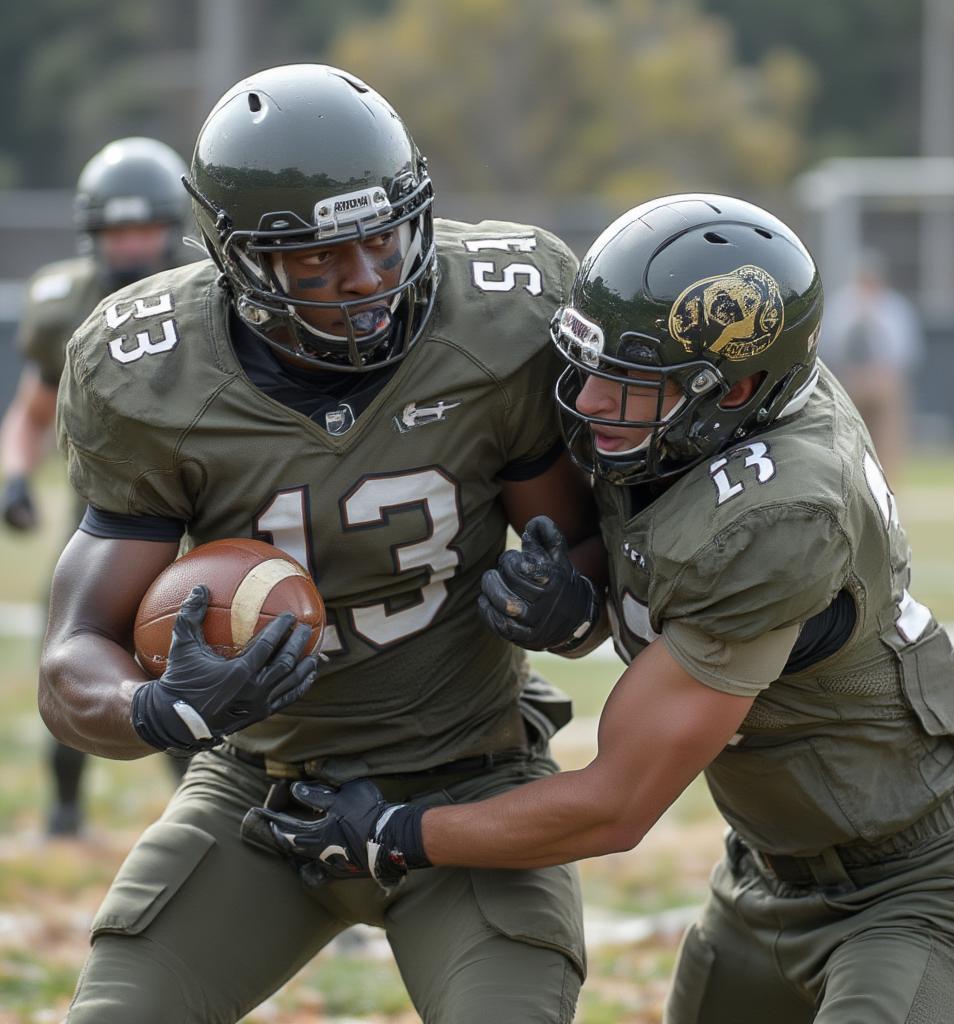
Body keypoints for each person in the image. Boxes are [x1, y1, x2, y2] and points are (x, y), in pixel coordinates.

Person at [257, 195, 954, 1024]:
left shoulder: (777, 517)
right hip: (766, 872)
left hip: (916, 885)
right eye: (585, 366)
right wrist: (585, 594)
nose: (585, 400)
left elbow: (615, 802)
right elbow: (658, 566)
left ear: (729, 390)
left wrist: (396, 832)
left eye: (626, 384)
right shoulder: (718, 413)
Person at [40, 64, 600, 1023]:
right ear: (235, 257)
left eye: (384, 239)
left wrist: (571, 600)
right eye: (316, 259)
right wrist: (163, 709)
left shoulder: (501, 317)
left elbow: (588, 557)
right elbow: (70, 661)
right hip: (261, 793)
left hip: (470, 785)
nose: (367, 280)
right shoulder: (149, 374)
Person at [0, 136, 193, 836]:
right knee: (70, 654)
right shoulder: (64, 303)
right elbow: (30, 410)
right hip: (103, 510)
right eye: (118, 231)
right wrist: (16, 478)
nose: (133, 246)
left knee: (191, 655)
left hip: (201, 506)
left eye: (145, 228)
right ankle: (63, 811)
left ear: (173, 227)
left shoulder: (212, 289)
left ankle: (201, 814)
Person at [818, 249, 923, 484]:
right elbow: (831, 346)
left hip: (885, 380)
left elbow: (905, 350)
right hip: (851, 380)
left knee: (889, 438)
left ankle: (890, 486)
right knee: (849, 437)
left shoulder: (893, 307)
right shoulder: (843, 306)